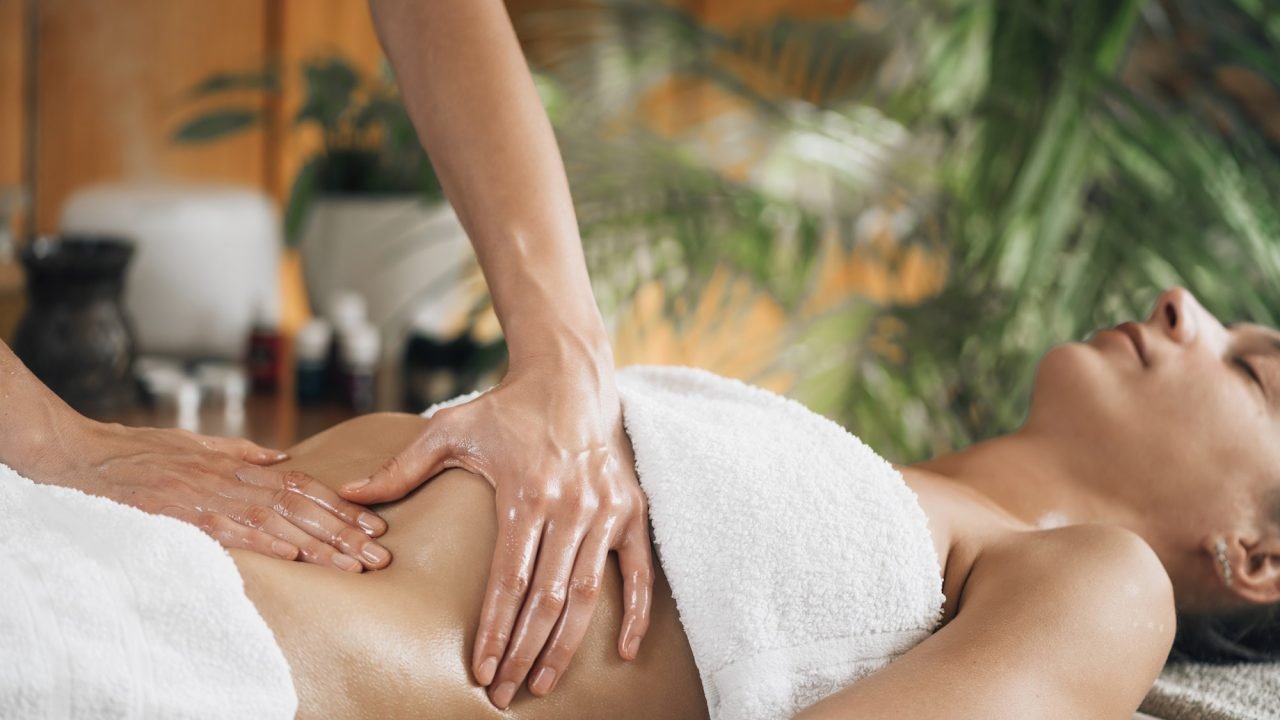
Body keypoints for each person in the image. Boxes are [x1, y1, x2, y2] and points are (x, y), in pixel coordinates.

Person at [222, 286, 1280, 717]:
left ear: (1257, 557)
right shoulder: (848, 477)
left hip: (241, 663)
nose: (1179, 305)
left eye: (1248, 370)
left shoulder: (1104, 583)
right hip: (165, 558)